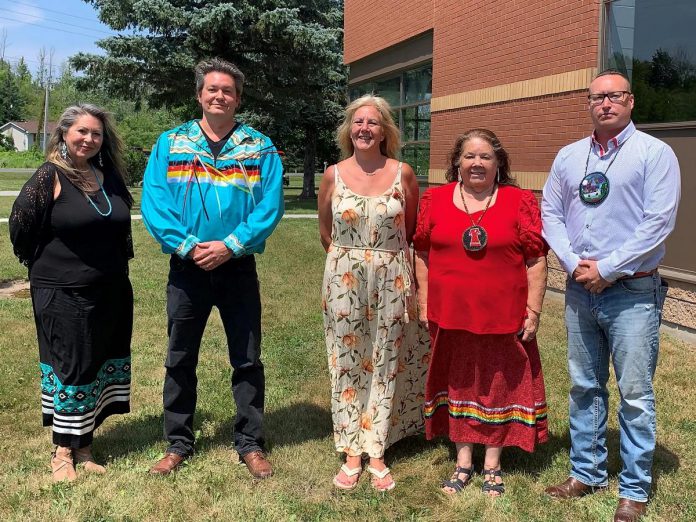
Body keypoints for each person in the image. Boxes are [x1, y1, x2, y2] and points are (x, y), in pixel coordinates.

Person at [541, 70, 680, 522]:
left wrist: (607, 267)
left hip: (632, 291)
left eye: (614, 96)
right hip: (582, 290)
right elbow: (551, 214)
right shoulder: (569, 156)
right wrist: (572, 263)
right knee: (585, 386)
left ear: (631, 101)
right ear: (589, 104)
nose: (605, 104)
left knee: (635, 393)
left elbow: (657, 223)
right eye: (597, 97)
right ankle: (587, 472)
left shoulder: (654, 154)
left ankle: (635, 489)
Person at [141, 58, 284, 479]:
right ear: (200, 94)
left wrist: (230, 245)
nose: (219, 96)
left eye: (228, 91)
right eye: (212, 89)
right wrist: (189, 246)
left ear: (238, 99)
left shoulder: (260, 147)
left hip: (237, 267)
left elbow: (269, 206)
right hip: (187, 268)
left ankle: (250, 442)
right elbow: (154, 202)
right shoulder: (172, 143)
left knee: (247, 358)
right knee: (180, 357)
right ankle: (179, 442)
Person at [413, 128, 548, 497]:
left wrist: (533, 310)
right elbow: (422, 254)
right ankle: (462, 461)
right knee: (457, 384)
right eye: (469, 156)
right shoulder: (434, 200)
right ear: (457, 161)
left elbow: (536, 259)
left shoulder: (518, 200)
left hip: (503, 316)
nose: (476, 163)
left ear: (499, 163)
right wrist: (423, 300)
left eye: (485, 157)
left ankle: (492, 463)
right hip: (450, 314)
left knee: (498, 387)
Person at [9, 104, 134, 481]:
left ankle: (84, 444)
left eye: (96, 133)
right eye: (81, 131)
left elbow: (120, 227)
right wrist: (44, 267)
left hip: (110, 288)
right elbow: (20, 225)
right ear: (64, 134)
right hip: (63, 291)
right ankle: (62, 451)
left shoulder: (105, 174)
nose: (89, 139)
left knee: (97, 361)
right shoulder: (50, 175)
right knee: (71, 365)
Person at [318, 95, 429, 492]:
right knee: (347, 359)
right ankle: (351, 449)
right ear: (349, 129)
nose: (364, 128)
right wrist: (351, 262)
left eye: (373, 122)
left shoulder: (404, 174)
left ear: (385, 131)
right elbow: (325, 233)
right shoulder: (333, 174)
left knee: (386, 357)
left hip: (392, 277)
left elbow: (411, 233)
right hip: (344, 277)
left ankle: (377, 446)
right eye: (358, 122)